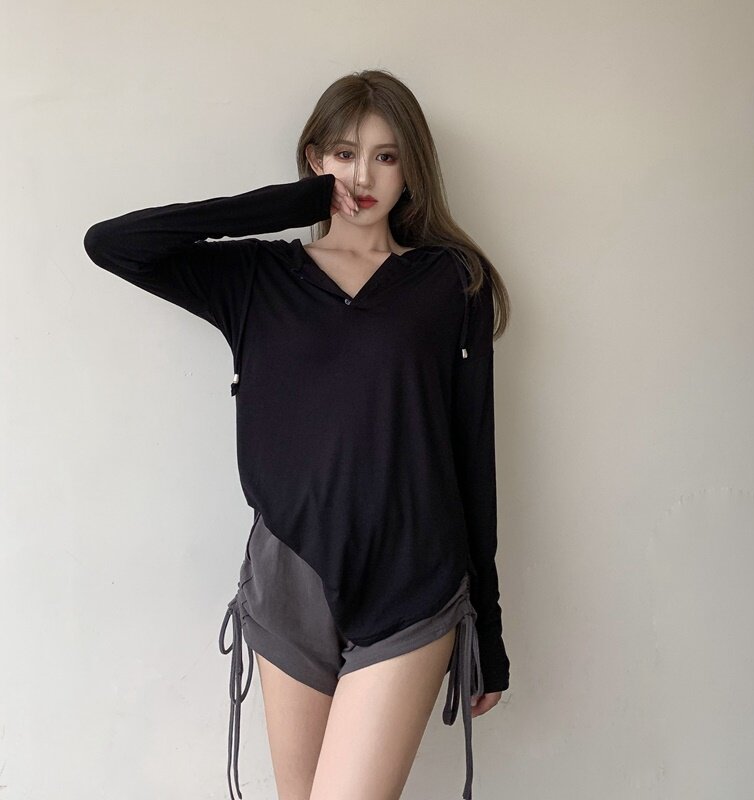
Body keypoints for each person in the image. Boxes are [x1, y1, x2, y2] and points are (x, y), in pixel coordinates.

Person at [83, 68, 511, 800]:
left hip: (413, 579)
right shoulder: (258, 278)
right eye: (344, 154)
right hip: (290, 578)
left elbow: (473, 451)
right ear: (315, 160)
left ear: (412, 168)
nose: (363, 176)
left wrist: (491, 632)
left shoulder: (449, 283)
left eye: (385, 156)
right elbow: (112, 243)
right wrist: (291, 204)